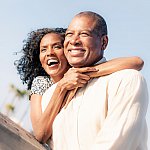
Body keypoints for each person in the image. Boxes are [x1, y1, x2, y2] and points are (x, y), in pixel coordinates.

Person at [16, 28, 144, 148]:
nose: (50, 53)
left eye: (57, 47)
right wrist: (62, 86)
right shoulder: (41, 83)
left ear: (67, 51)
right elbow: (40, 133)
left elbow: (136, 62)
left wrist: (84, 73)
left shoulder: (82, 74)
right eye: (43, 49)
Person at [41, 11, 149, 150]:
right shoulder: (51, 95)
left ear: (103, 42)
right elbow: (42, 137)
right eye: (69, 34)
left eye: (84, 34)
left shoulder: (126, 80)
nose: (74, 40)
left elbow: (116, 143)